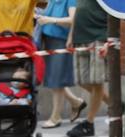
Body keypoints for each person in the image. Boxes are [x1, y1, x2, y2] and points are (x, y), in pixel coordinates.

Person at [36, 0, 87, 128]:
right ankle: (76, 102)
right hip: (48, 39)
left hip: (60, 41)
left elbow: (72, 19)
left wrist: (50, 20)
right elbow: (49, 13)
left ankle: (56, 117)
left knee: (57, 80)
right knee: (53, 78)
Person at [66, 0, 109, 137]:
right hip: (80, 38)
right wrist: (71, 36)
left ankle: (89, 123)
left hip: (99, 37)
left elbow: (117, 13)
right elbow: (78, 11)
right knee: (82, 80)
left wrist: (110, 42)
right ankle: (115, 104)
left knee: (97, 82)